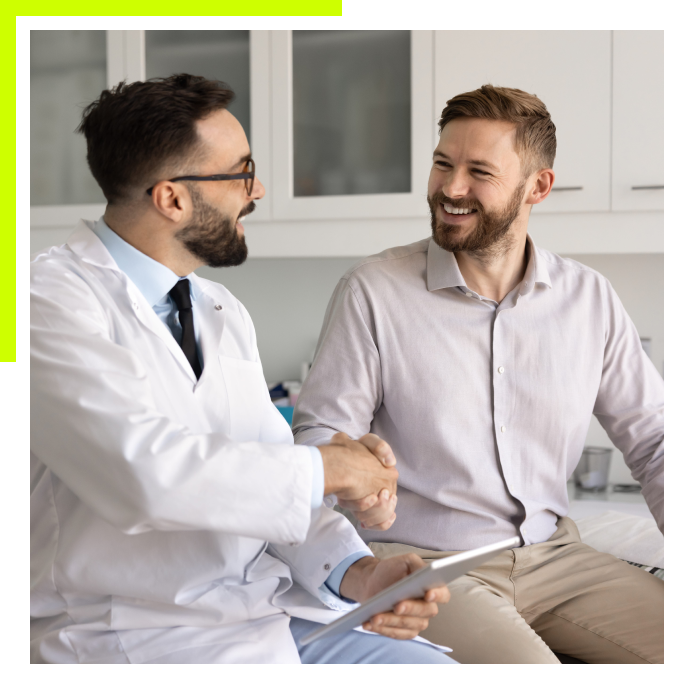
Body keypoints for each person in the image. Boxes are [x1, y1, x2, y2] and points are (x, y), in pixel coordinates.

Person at [30, 74, 456, 664]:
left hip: (264, 618)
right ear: (172, 198)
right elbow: (144, 475)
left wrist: (360, 574)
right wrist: (330, 469)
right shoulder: (43, 302)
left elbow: (267, 476)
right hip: (130, 634)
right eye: (240, 172)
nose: (256, 189)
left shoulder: (220, 309)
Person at [293, 84, 664, 664]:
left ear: (537, 186)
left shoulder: (588, 298)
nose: (450, 188)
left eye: (478, 171)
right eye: (443, 163)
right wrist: (354, 479)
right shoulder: (374, 291)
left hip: (559, 559)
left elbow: (652, 439)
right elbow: (318, 442)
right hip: (431, 565)